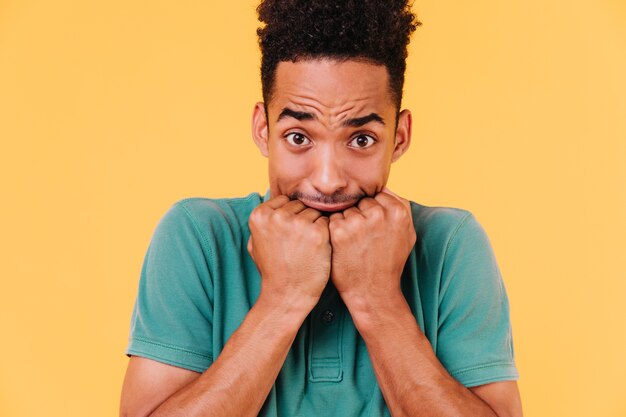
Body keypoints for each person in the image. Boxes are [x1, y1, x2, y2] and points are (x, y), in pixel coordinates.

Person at [120, 1, 522, 416]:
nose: (328, 180)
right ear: (263, 130)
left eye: (361, 139)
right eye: (298, 137)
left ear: (399, 137)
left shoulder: (450, 243)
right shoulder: (198, 236)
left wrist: (377, 300)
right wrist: (282, 299)